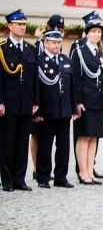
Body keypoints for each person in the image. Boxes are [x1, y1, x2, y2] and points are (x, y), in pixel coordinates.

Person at [72, 11, 103, 185]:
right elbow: (75, 79)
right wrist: (77, 102)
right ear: (87, 33)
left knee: (94, 137)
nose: (96, 34)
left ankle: (90, 171)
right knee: (83, 136)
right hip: (85, 100)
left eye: (99, 32)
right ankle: (83, 172)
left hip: (98, 100)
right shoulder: (79, 52)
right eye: (93, 31)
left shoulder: (99, 52)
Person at [0, 9, 38, 192]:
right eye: (19, 24)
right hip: (9, 103)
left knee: (23, 142)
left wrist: (36, 101)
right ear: (10, 26)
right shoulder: (2, 49)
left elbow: (35, 79)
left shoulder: (31, 49)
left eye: (24, 24)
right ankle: (7, 180)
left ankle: (19, 179)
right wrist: (0, 101)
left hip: (26, 103)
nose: (22, 27)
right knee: (7, 142)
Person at [34, 31, 77, 189]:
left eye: (58, 42)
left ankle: (61, 177)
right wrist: (37, 111)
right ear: (46, 43)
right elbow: (36, 88)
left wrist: (73, 108)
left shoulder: (66, 60)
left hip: (64, 110)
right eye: (53, 42)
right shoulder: (39, 61)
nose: (57, 45)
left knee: (63, 147)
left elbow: (72, 87)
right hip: (47, 111)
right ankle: (43, 177)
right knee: (45, 146)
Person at [31, 14, 65, 179]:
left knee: (59, 143)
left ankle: (55, 174)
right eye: (54, 27)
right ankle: (38, 170)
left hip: (59, 105)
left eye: (61, 28)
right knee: (40, 139)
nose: (58, 30)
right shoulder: (38, 49)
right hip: (44, 104)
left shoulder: (61, 53)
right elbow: (36, 82)